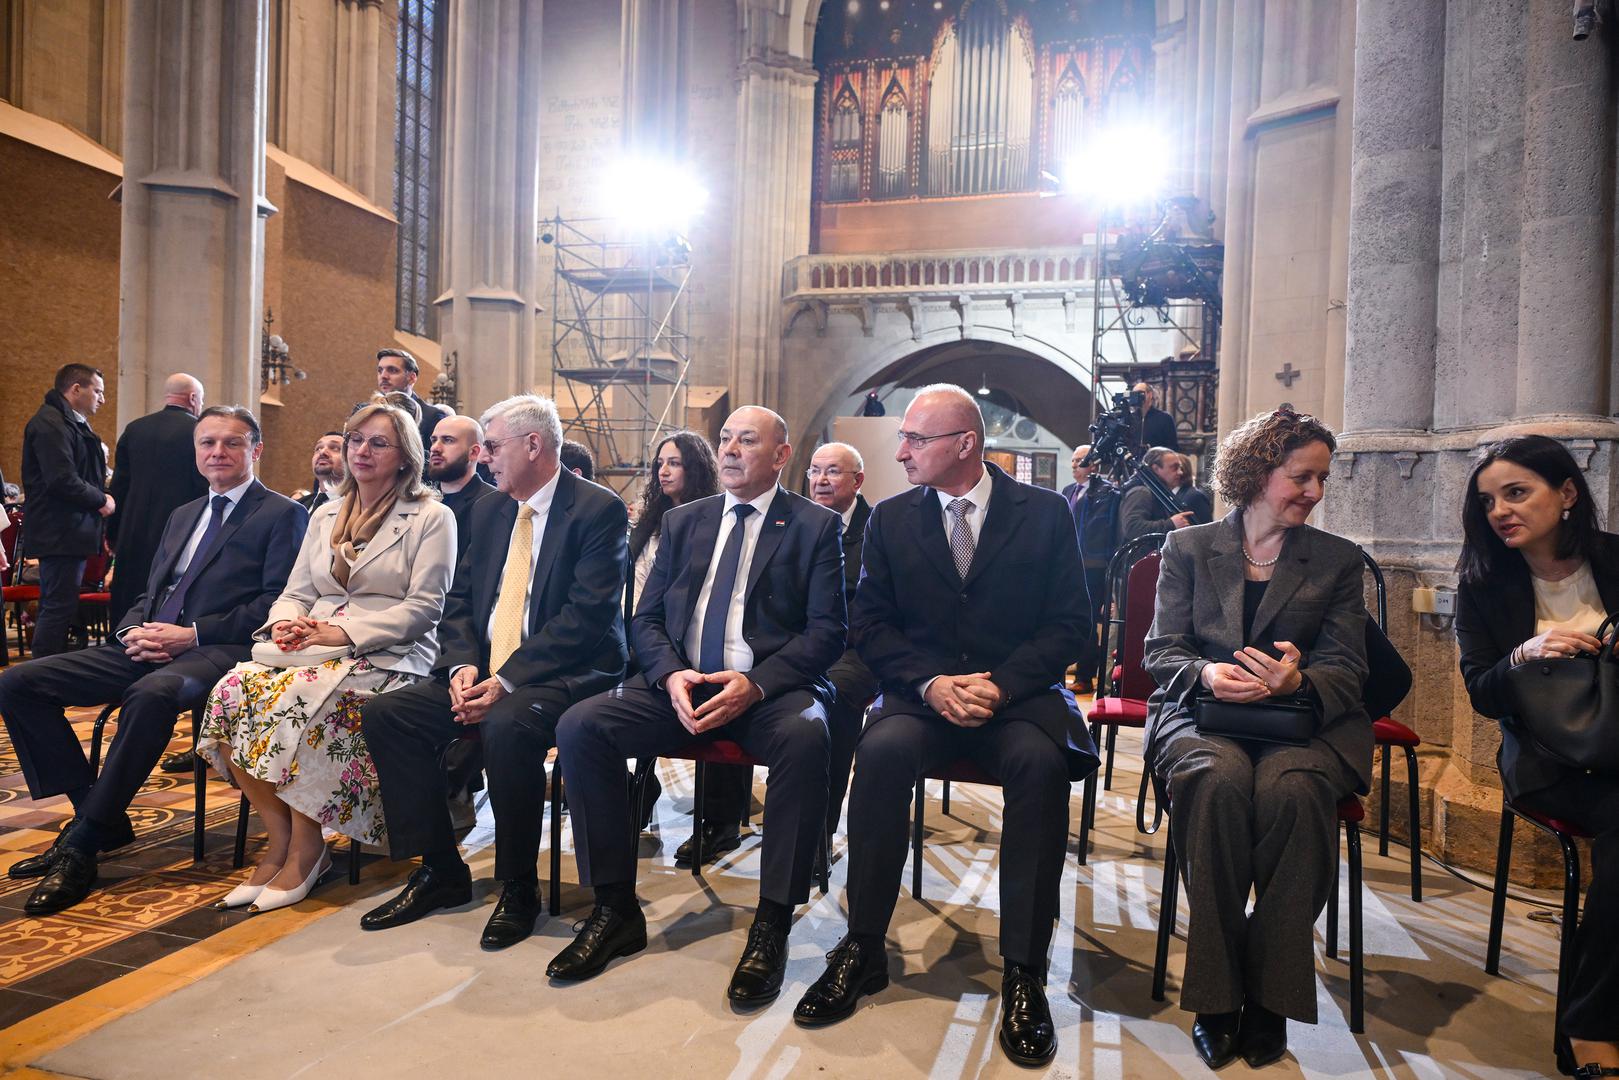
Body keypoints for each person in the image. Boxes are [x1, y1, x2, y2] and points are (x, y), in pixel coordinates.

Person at [794, 386, 1097, 1068]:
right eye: (902, 439)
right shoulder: (893, 519)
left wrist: (1000, 683)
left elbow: (1069, 625)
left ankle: (1022, 969)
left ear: (964, 443)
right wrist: (930, 683)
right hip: (921, 696)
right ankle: (863, 944)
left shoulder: (1044, 513)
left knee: (1039, 767)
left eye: (916, 440)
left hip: (1014, 698)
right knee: (878, 754)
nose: (899, 452)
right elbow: (868, 624)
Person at [549, 406, 844, 1005]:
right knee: (582, 726)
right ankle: (615, 908)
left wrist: (756, 684)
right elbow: (647, 617)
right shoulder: (685, 521)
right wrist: (670, 674)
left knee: (807, 738)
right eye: (726, 439)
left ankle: (771, 921)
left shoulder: (813, 526)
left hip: (767, 689)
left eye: (748, 441)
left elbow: (827, 633)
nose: (731, 450)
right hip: (681, 683)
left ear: (781, 456)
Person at [0, 406, 306, 914]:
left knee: (152, 694)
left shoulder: (281, 513)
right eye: (207, 443)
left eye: (231, 443)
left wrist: (191, 634)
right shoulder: (184, 514)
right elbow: (151, 589)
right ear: (195, 452)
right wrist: (133, 631)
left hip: (219, 651)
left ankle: (82, 841)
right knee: (18, 684)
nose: (218, 453)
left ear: (256, 450)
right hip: (149, 642)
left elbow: (276, 601)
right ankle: (99, 814)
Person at [1139, 407, 1369, 1070]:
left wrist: (1293, 681)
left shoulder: (1335, 560)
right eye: (1302, 477)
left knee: (1293, 793)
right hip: (1205, 714)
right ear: (1258, 471)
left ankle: (1269, 999)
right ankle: (1215, 996)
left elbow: (1348, 668)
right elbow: (1163, 651)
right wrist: (1210, 672)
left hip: (1305, 721)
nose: (1314, 493)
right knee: (1213, 782)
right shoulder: (1187, 548)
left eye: (1322, 480)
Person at [359, 394, 630, 951]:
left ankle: (518, 885)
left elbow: (587, 618)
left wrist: (505, 680)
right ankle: (441, 868)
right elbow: (460, 600)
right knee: (389, 714)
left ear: (534, 445)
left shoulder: (597, 510)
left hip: (569, 670)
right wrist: (461, 666)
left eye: (495, 447)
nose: (485, 460)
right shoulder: (490, 509)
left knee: (507, 725)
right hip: (486, 668)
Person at [195, 396, 455, 912]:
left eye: (378, 443)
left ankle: (308, 850)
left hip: (389, 653)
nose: (361, 451)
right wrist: (286, 623)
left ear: (405, 455)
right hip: (311, 647)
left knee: (301, 704)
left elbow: (424, 609)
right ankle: (280, 840)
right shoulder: (326, 512)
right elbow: (295, 590)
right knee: (231, 692)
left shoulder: (431, 516)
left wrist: (342, 635)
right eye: (355, 439)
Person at [1455, 434, 1619, 1077]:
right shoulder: (1484, 585)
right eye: (1489, 500)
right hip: (1551, 764)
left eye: (1517, 492)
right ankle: (1591, 1028)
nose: (1500, 510)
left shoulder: (1612, 559)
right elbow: (1480, 694)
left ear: (1568, 493)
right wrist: (1524, 655)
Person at [688, 441, 878, 862]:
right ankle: (721, 820)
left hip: (852, 648)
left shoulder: (876, 526)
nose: (821, 480)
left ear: (857, 481)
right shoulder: (788, 519)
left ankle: (815, 833)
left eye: (832, 472)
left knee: (837, 697)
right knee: (724, 672)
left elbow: (868, 606)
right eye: (814, 471)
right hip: (792, 641)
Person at [20, 364, 112, 658]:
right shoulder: (50, 422)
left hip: (68, 530)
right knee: (57, 607)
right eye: (97, 391)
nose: (102, 399)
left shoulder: (68, 422)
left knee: (60, 605)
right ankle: (41, 677)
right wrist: (102, 499)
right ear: (75, 389)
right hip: (59, 531)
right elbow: (61, 479)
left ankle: (46, 673)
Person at [107, 374, 207, 623]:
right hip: (179, 532)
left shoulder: (134, 429)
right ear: (193, 398)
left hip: (133, 531)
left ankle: (120, 643)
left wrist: (113, 533)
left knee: (129, 597)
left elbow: (118, 486)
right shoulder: (197, 432)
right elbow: (204, 487)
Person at [626, 430, 721, 620]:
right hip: (636, 621)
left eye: (674, 463)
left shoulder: (713, 521)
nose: (664, 471)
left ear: (694, 469)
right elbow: (636, 577)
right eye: (660, 464)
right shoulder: (648, 521)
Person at [1061, 444, 1120, 693]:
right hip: (1071, 564)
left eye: (1080, 461)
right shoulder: (1068, 491)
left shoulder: (1107, 492)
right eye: (1073, 461)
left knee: (1089, 620)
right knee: (1070, 617)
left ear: (1094, 464)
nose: (1075, 465)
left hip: (1096, 567)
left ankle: (1086, 676)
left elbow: (1113, 532)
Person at [427, 415, 496, 560]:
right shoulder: (421, 500)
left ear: (474, 452)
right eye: (434, 440)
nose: (435, 448)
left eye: (448, 440)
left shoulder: (492, 504)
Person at [372, 348, 451, 473]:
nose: (384, 376)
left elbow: (437, 464)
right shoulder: (367, 413)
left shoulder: (432, 416)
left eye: (392, 370)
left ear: (412, 378)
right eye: (380, 370)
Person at [1119, 446, 1195, 542]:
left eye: (1180, 467)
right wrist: (1171, 524)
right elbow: (1132, 528)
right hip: (1139, 556)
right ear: (1156, 469)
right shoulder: (1141, 492)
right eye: (1174, 467)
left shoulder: (1157, 491)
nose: (1180, 472)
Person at [299, 432, 347, 513]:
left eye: (334, 448)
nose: (322, 452)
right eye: (318, 448)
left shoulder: (358, 506)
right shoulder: (298, 506)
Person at [1132, 381, 1179, 453]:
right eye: (1134, 394)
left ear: (1150, 394)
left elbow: (1172, 446)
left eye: (1140, 393)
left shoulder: (1165, 418)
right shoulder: (1130, 418)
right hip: (1131, 462)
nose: (1137, 396)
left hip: (1155, 462)